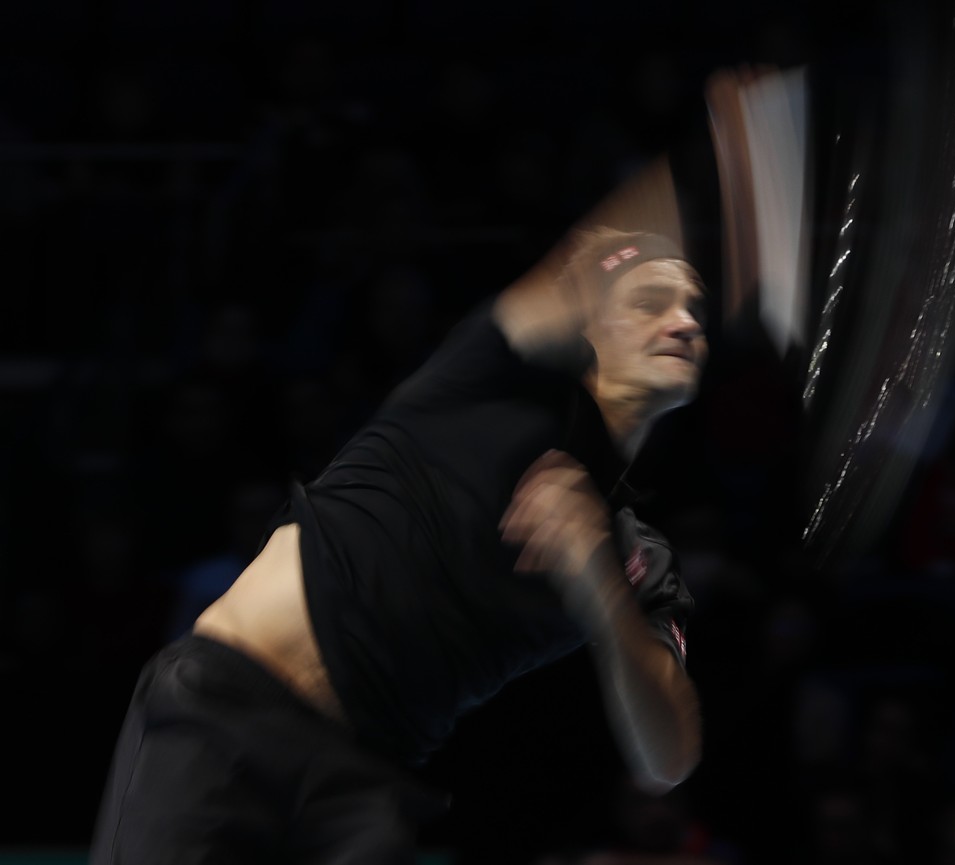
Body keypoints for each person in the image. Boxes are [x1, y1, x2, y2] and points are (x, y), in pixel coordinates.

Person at [88, 156, 712, 864]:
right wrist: (721, 181)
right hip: (219, 719)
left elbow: (669, 756)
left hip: (358, 789)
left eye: (695, 307)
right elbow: (599, 244)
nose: (685, 320)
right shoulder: (489, 377)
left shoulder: (636, 555)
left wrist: (595, 578)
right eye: (652, 300)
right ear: (591, 322)